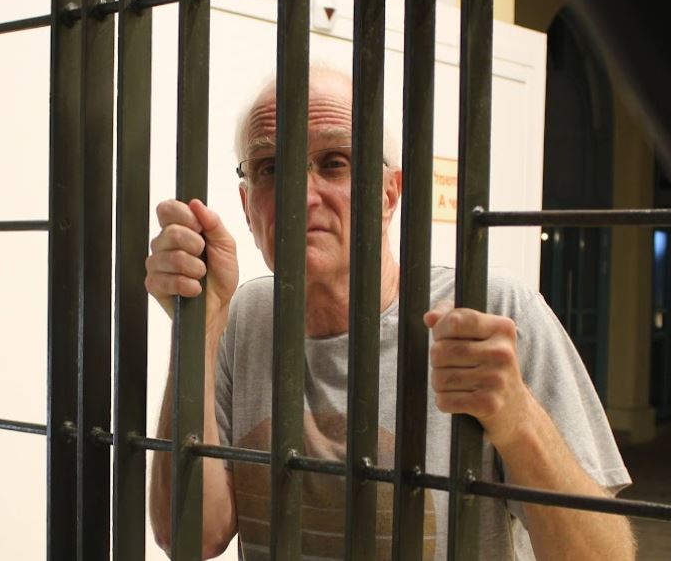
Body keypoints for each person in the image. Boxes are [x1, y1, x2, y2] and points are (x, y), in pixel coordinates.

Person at [145, 66, 635, 560]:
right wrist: (199, 329)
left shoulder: (490, 312)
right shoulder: (244, 317)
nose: (300, 194)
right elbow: (190, 537)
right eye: (271, 167)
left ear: (388, 194)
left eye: (334, 162)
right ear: (247, 204)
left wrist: (516, 417)